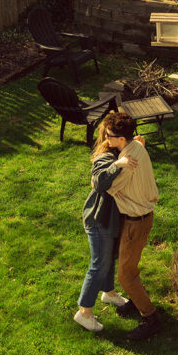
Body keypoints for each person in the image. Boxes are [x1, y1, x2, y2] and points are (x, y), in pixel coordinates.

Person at [103, 110, 163, 341]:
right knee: (130, 267)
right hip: (143, 217)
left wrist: (117, 164)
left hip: (134, 224)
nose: (106, 139)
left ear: (121, 139)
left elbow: (102, 186)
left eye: (109, 136)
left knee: (125, 276)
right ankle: (137, 301)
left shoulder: (128, 163)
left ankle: (151, 318)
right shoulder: (137, 146)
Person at [73, 119, 135, 334]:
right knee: (99, 263)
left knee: (109, 258)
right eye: (107, 135)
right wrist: (118, 165)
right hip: (99, 220)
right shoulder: (105, 156)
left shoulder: (122, 149)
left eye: (111, 136)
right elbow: (99, 182)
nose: (107, 139)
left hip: (112, 219)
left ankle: (108, 293)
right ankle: (84, 313)